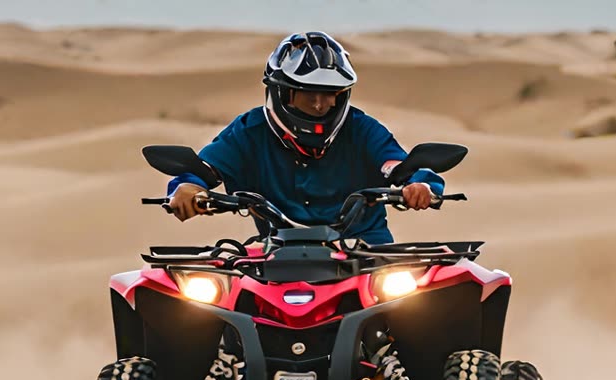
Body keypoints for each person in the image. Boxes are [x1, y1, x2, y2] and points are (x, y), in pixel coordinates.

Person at [165, 31, 445, 245]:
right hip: (276, 255)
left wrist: (419, 184)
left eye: (329, 94)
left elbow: (398, 166)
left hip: (365, 252)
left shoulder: (362, 129)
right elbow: (206, 169)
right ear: (281, 92)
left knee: (418, 308)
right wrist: (187, 187)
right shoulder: (249, 131)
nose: (320, 105)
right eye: (308, 94)